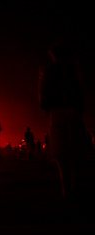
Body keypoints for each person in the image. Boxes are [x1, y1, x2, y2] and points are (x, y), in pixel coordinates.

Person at [39, 42, 86, 201]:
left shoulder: (47, 70)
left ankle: (66, 188)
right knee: (76, 148)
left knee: (61, 151)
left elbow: (43, 91)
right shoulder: (75, 68)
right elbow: (82, 87)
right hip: (74, 110)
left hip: (56, 111)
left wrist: (47, 108)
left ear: (52, 55)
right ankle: (76, 185)